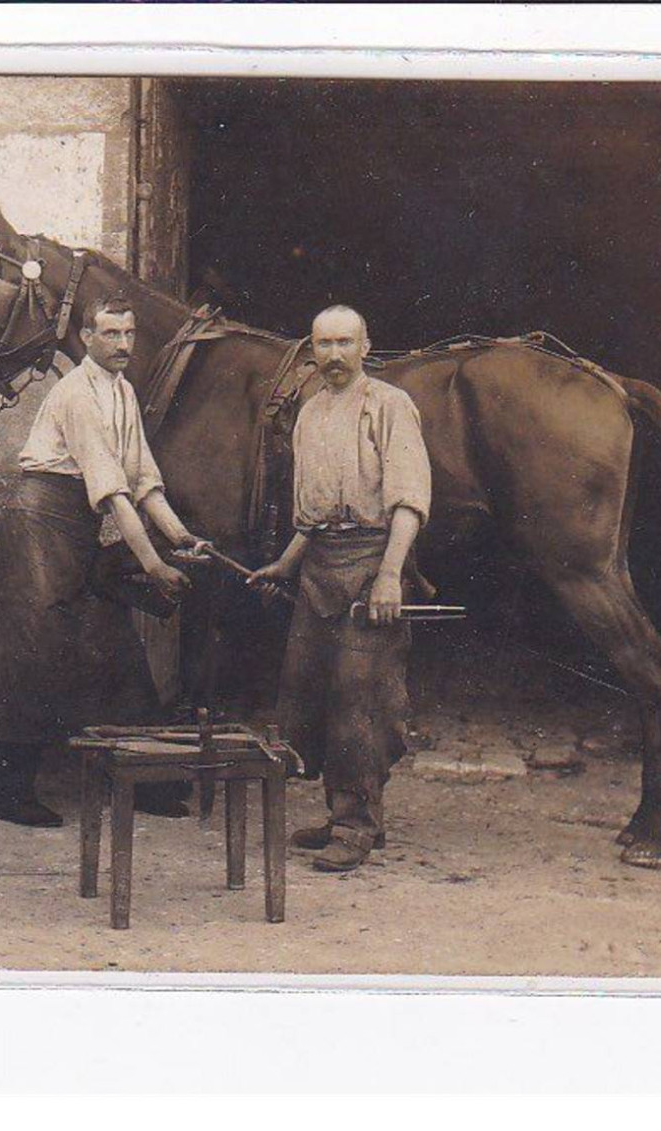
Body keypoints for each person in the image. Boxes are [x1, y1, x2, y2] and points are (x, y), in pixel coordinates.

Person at [0, 293, 209, 827]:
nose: (123, 345)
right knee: (35, 643)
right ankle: (7, 791)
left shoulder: (122, 390)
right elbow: (112, 492)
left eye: (129, 334)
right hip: (39, 518)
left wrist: (181, 537)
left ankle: (142, 781)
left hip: (77, 522)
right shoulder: (76, 393)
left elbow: (142, 480)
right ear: (86, 338)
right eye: (111, 335)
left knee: (114, 640)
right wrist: (153, 565)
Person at [250, 305, 432, 872]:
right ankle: (342, 814)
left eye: (344, 343)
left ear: (365, 345)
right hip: (318, 568)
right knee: (310, 694)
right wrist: (286, 563)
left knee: (361, 698)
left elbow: (408, 501)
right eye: (323, 344)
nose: (333, 355)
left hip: (373, 558)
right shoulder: (309, 414)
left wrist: (388, 576)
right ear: (311, 349)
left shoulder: (391, 406)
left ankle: (357, 826)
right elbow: (312, 517)